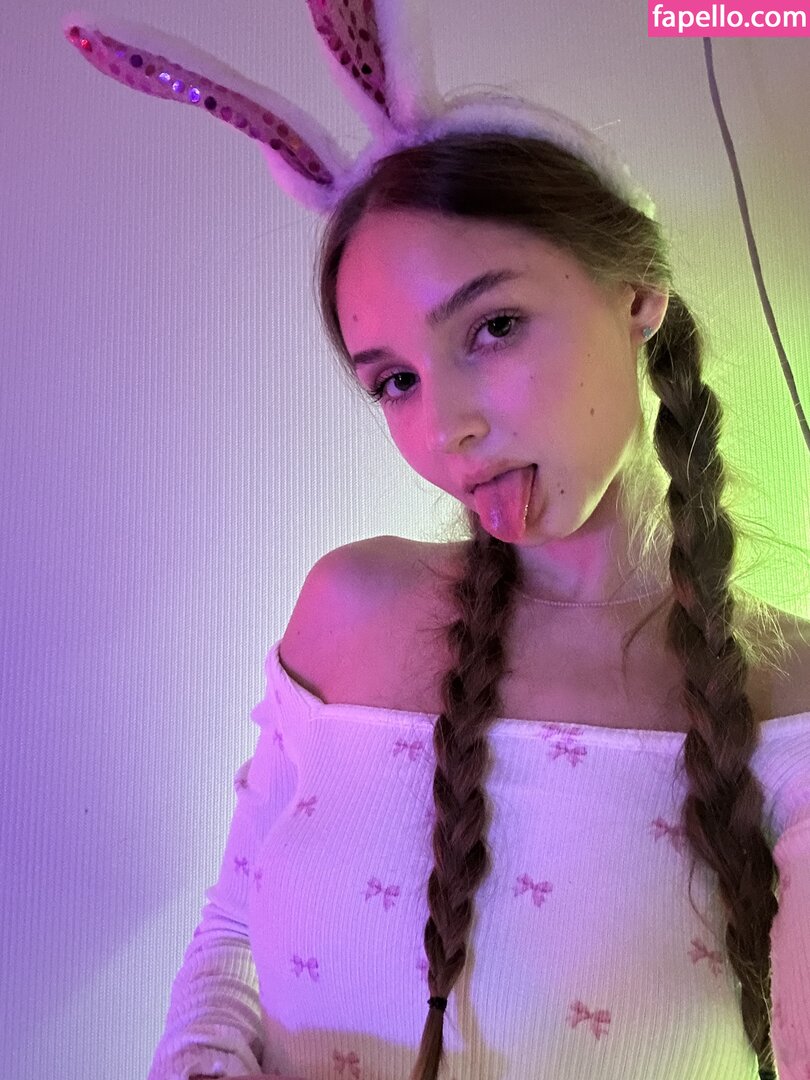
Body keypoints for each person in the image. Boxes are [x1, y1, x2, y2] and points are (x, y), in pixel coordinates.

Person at [64, 5, 809, 1080]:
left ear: (637, 293)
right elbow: (234, 931)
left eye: (493, 327)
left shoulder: (786, 698)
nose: (444, 429)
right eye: (395, 382)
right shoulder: (347, 608)